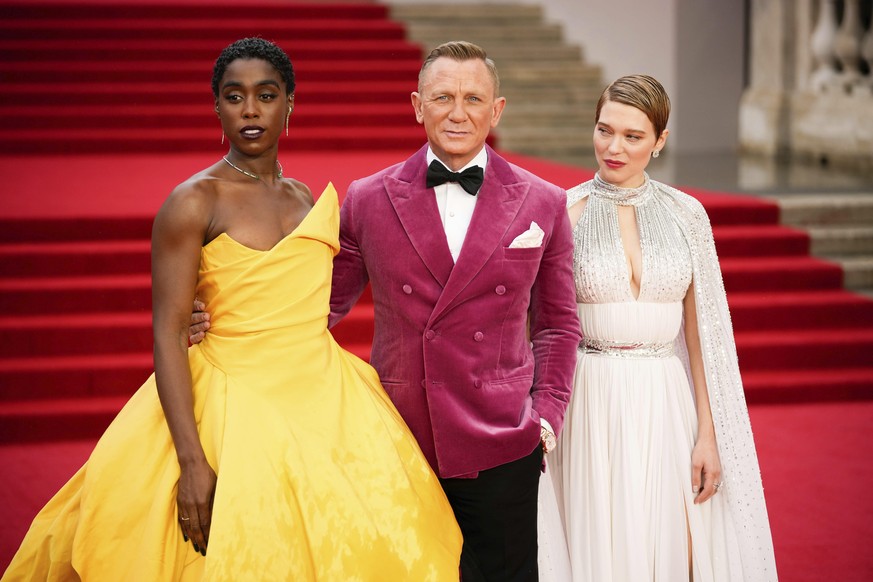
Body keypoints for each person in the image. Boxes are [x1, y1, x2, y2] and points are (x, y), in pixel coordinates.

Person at [2, 38, 462, 581]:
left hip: (330, 401)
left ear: (289, 103)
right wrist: (192, 462)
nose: (249, 110)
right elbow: (170, 334)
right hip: (231, 403)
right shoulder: (194, 201)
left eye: (265, 95)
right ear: (216, 106)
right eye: (233, 96)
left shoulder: (303, 197)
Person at [189, 40, 582, 581]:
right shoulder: (369, 199)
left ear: (497, 110)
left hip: (501, 440)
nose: (458, 112)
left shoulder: (544, 201)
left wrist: (545, 418)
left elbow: (559, 324)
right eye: (443, 97)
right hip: (395, 439)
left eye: (473, 99)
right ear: (418, 105)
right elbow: (314, 303)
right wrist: (224, 315)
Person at [539, 74, 778, 581]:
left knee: (671, 541)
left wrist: (708, 437)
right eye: (604, 130)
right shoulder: (562, 211)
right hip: (589, 397)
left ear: (660, 141)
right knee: (595, 541)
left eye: (633, 136)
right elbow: (537, 326)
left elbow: (703, 338)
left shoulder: (686, 214)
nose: (613, 147)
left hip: (667, 398)